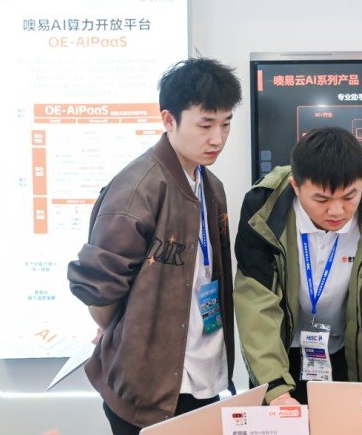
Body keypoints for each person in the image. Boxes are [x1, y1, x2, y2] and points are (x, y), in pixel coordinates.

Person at [68, 58, 242, 434]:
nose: (217, 138)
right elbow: (99, 289)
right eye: (205, 125)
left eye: (226, 124)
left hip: (204, 375)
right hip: (147, 389)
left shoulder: (211, 186)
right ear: (168, 120)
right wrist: (122, 329)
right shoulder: (138, 188)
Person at [234, 127, 362, 405]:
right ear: (296, 186)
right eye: (321, 200)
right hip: (278, 345)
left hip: (342, 350)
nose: (337, 211)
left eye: (349, 197)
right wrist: (276, 391)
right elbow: (255, 301)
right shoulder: (263, 208)